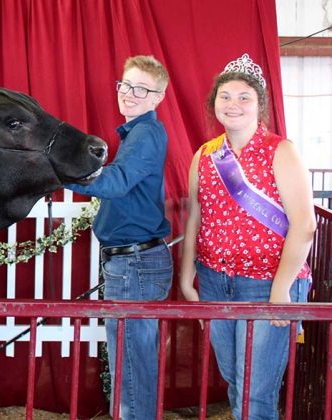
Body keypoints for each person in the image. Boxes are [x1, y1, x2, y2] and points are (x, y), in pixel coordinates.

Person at [179, 53, 315, 420]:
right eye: (225, 96)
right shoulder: (205, 155)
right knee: (236, 382)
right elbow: (195, 216)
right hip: (214, 281)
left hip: (268, 283)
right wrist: (186, 275)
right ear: (214, 104)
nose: (233, 104)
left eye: (244, 97)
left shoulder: (280, 152)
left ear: (259, 105)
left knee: (256, 393)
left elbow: (304, 224)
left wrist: (281, 290)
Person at [64, 55, 172, 419]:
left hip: (135, 263)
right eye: (125, 85)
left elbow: (116, 182)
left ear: (158, 97)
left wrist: (54, 175)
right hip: (131, 261)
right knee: (132, 362)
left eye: (141, 88)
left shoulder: (146, 133)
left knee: (131, 367)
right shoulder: (137, 134)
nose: (129, 93)